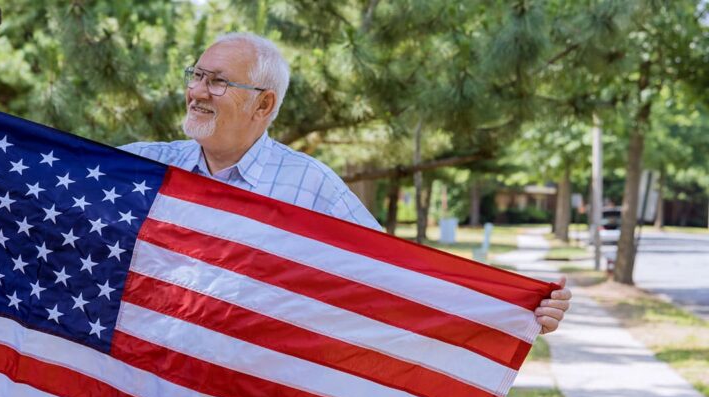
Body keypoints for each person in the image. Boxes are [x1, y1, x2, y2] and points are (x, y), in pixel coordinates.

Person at [120, 32, 571, 334]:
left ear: (263, 104)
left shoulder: (310, 185)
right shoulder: (139, 166)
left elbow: (392, 283)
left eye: (217, 82)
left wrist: (515, 309)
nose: (197, 91)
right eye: (196, 75)